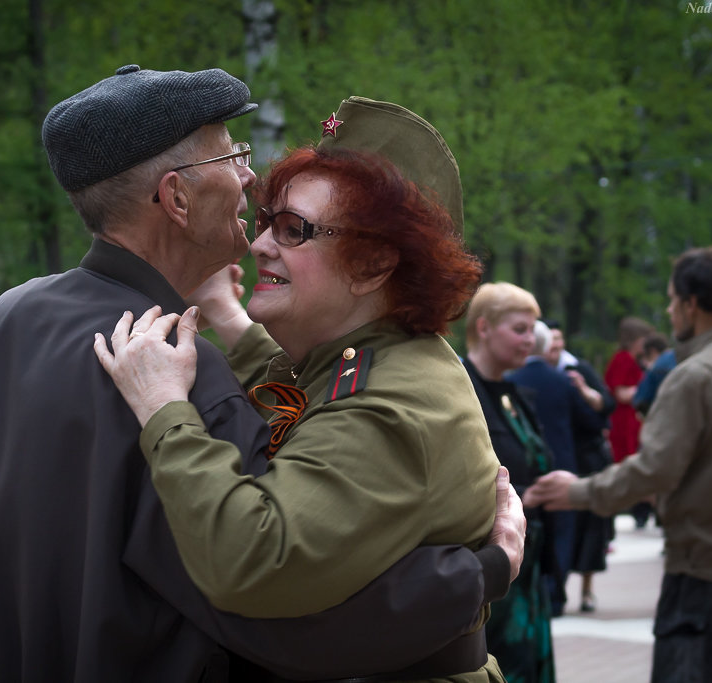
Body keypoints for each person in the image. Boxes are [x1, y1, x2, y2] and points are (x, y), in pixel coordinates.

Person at [0, 69, 524, 683]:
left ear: (375, 264)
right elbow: (292, 620)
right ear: (177, 198)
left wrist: (222, 316)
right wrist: (484, 571)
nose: (250, 186)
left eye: (293, 228)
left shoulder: (13, 316)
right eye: (234, 158)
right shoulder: (165, 372)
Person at [92, 95, 511, 682]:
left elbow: (253, 560)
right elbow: (302, 390)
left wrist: (165, 410)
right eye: (265, 221)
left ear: (373, 265)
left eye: (293, 231)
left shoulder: (390, 409)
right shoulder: (363, 353)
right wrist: (231, 317)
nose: (259, 244)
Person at [525, 246, 712, 683]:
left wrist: (577, 492)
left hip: (703, 564)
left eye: (672, 300)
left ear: (691, 303)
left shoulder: (695, 376)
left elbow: (654, 469)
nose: (669, 312)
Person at [458, 282, 556, 683]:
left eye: (532, 331)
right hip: (492, 578)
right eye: (520, 329)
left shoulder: (512, 395)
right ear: (484, 327)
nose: (529, 340)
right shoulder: (461, 391)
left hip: (527, 572)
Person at [509, 320, 605, 618]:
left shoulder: (511, 380)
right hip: (561, 465)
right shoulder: (563, 381)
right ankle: (556, 596)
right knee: (562, 533)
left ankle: (529, 592)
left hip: (521, 470)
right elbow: (592, 422)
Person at [543, 321, 615, 613]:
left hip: (586, 459)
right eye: (551, 341)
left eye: (559, 340)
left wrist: (584, 391)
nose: (556, 346)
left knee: (591, 530)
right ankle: (558, 589)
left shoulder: (577, 371)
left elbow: (605, 407)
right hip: (561, 459)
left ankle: (586, 591)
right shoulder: (538, 375)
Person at [604, 315, 654, 528]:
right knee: (627, 463)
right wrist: (646, 391)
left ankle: (641, 510)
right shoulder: (622, 359)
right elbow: (620, 392)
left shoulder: (633, 360)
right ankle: (635, 509)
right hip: (623, 421)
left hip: (632, 421)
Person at [633, 332, 673, 417]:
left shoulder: (656, 368)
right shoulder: (680, 357)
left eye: (647, 358)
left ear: (652, 351)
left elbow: (640, 401)